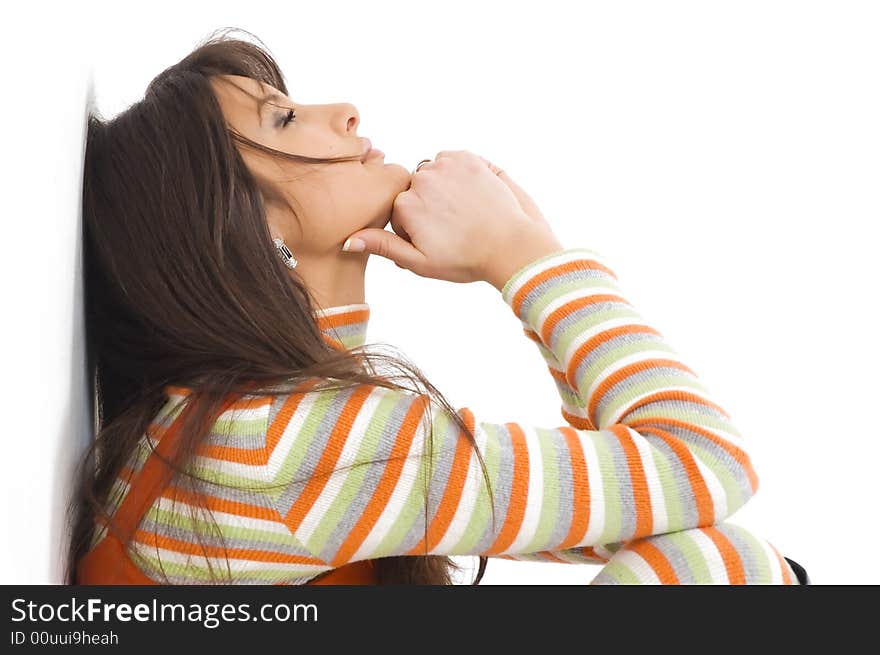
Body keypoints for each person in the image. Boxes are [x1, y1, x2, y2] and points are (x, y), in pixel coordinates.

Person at [68, 28, 806, 585]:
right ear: (244, 224)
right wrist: (523, 261)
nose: (347, 113)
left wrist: (528, 254)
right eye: (284, 121)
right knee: (722, 567)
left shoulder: (256, 427)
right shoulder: (288, 445)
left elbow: (632, 512)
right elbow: (707, 466)